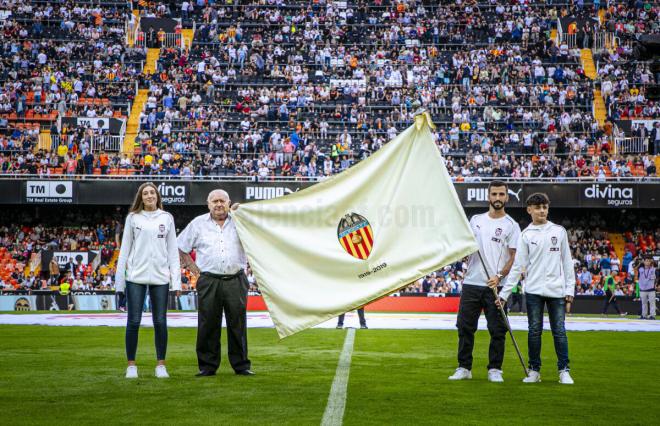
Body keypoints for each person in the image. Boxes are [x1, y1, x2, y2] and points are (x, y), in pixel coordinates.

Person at [498, 193, 575, 385]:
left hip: (556, 291)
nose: (542, 211)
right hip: (533, 291)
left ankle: (564, 370)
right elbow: (517, 267)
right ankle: (534, 370)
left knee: (559, 331)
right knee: (534, 331)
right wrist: (504, 294)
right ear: (529, 210)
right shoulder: (526, 235)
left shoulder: (559, 231)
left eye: (545, 207)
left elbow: (567, 263)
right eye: (538, 207)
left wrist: (569, 291)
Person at [449, 181, 520, 382]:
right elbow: (466, 248)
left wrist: (500, 276)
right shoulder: (475, 220)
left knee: (498, 329)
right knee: (464, 327)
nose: (498, 198)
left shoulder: (511, 225)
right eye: (494, 194)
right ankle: (464, 367)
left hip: (496, 285)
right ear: (488, 197)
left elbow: (514, 257)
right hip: (472, 282)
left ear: (507, 197)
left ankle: (495, 369)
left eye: (501, 194)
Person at [177, 189, 254, 377]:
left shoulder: (240, 221)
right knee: (208, 324)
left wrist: (242, 211)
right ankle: (207, 366)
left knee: (238, 324)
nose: (219, 204)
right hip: (209, 280)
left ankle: (241, 365)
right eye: (214, 201)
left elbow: (257, 238)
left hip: (236, 278)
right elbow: (180, 246)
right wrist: (195, 270)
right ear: (208, 204)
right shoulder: (198, 224)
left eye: (222, 201)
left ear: (229, 203)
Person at [115, 182, 181, 379]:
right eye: (146, 193)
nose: (150, 195)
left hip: (161, 278)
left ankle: (161, 365)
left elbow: (173, 252)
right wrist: (120, 283)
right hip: (136, 277)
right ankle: (131, 365)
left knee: (160, 321)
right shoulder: (133, 218)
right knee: (133, 321)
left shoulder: (167, 218)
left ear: (157, 196)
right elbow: (124, 250)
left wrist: (176, 282)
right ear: (141, 198)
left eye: (153, 192)